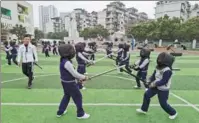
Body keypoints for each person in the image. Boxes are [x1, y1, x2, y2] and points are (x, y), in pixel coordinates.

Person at [136, 52, 178, 120]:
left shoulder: (167, 70)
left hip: (163, 89)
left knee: (163, 104)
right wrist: (149, 80)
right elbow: (154, 75)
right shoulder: (158, 67)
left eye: (161, 59)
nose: (159, 60)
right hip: (155, 86)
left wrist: (154, 84)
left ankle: (173, 113)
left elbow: (164, 81)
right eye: (159, 58)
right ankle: (144, 109)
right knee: (147, 95)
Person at [57, 44, 90, 119]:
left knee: (67, 95)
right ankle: (80, 114)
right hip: (70, 84)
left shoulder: (63, 60)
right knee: (78, 97)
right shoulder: (67, 63)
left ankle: (60, 111)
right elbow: (74, 74)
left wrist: (79, 79)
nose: (73, 52)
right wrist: (84, 77)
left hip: (65, 82)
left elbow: (71, 74)